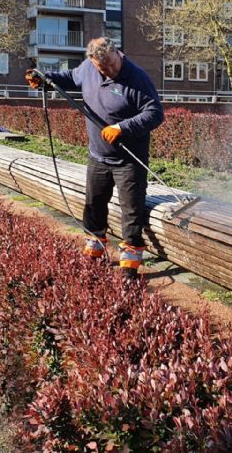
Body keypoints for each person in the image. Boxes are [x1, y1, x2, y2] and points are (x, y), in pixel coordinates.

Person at [25, 37, 164, 278]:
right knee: (94, 205)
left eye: (111, 64)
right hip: (98, 156)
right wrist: (44, 78)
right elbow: (69, 78)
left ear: (117, 53)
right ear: (92, 62)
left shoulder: (137, 78)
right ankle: (95, 248)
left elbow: (155, 113)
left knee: (131, 211)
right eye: (103, 67)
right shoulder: (87, 69)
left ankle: (129, 264)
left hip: (128, 160)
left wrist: (122, 127)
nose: (109, 70)